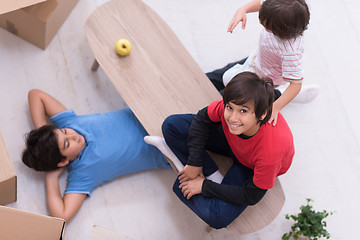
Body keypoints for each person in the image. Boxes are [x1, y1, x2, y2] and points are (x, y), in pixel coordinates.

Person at [145, 72, 295, 228]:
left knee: (217, 218)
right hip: (232, 141)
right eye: (230, 107)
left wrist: (204, 186)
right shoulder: (229, 113)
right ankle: (210, 174)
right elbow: (201, 121)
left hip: (250, 166)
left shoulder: (271, 152)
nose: (232, 118)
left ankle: (185, 169)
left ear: (262, 114)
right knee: (172, 126)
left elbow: (252, 195)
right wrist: (195, 162)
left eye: (243, 111)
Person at [22, 89, 171, 222]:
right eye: (67, 144)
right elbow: (62, 216)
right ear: (62, 161)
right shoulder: (83, 173)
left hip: (155, 111)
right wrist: (51, 176)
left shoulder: (70, 123)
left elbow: (36, 95)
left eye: (64, 132)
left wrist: (45, 135)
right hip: (170, 146)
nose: (73, 136)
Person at [207, 0, 318, 126]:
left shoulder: (291, 52)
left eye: (266, 26)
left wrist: (276, 107)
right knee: (211, 79)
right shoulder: (278, 6)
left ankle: (278, 94)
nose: (260, 23)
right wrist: (243, 9)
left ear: (280, 31)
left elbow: (296, 84)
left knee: (222, 102)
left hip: (263, 80)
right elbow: (261, 3)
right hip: (256, 59)